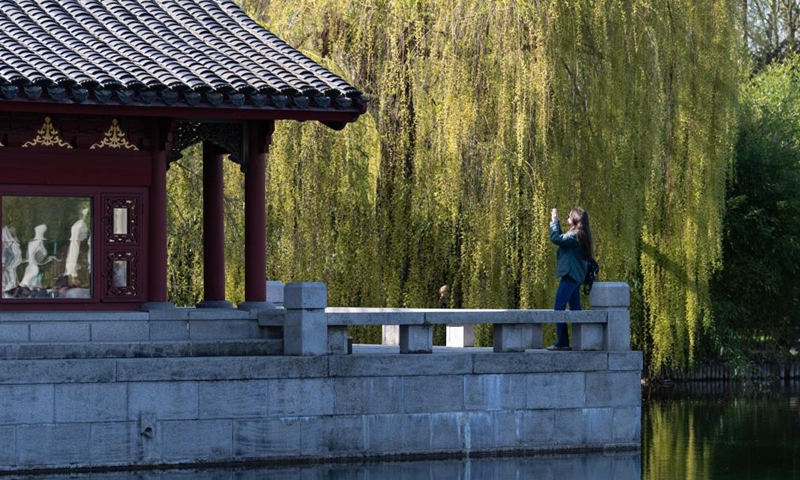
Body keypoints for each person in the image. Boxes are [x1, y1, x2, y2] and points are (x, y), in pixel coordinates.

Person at [547, 206, 594, 351]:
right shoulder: (580, 234)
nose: (567, 218)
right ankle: (581, 341)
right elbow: (563, 240)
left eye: (568, 216)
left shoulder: (575, 235)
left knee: (559, 307)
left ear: (574, 219)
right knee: (575, 309)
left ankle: (562, 342)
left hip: (571, 276)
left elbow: (556, 238)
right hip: (576, 276)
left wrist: (554, 220)